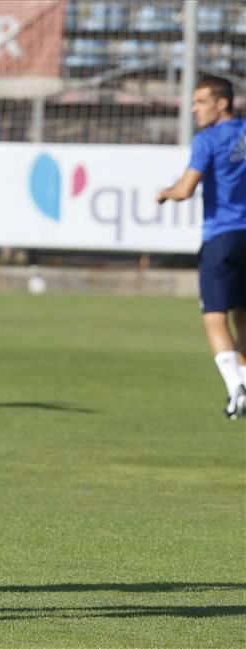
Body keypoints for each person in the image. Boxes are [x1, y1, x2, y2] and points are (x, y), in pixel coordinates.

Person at [157, 74, 246, 420]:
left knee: (214, 316)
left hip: (222, 236)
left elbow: (185, 189)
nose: (193, 109)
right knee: (243, 316)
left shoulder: (208, 139)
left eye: (200, 102)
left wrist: (164, 192)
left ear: (221, 103)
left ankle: (235, 387)